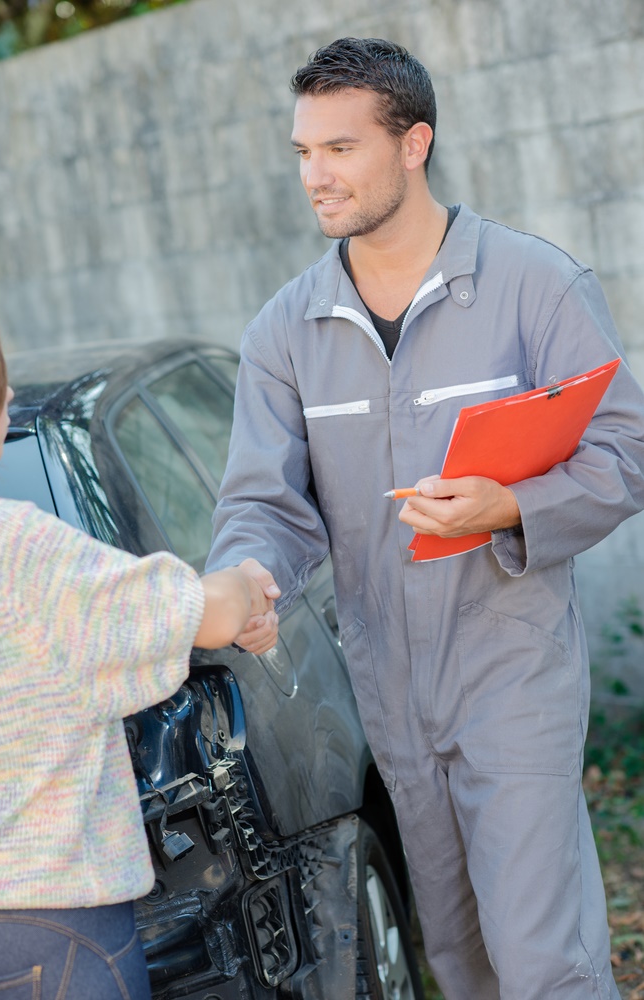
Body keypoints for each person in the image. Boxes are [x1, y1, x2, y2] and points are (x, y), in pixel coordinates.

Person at [206, 36, 644, 1000]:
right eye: (303, 152)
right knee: (459, 958)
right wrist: (244, 577)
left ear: (414, 145)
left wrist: (514, 505)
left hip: (510, 673)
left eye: (340, 148)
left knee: (540, 961)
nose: (316, 176)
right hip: (390, 691)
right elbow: (262, 501)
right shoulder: (287, 331)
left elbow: (624, 453)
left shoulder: (536, 286)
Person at [0, 302, 273, 998]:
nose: (10, 394)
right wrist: (244, 586)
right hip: (49, 930)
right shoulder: (11, 552)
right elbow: (198, 613)